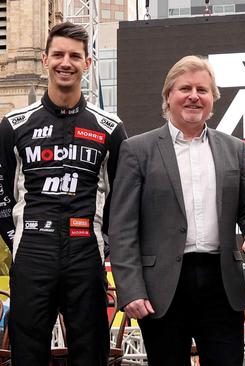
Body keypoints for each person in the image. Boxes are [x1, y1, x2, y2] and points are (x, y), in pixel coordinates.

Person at [109, 55, 245, 366]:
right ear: (168, 96)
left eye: (203, 90)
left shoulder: (235, 149)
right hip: (161, 290)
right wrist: (130, 289)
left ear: (213, 100)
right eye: (185, 88)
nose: (194, 96)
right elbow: (122, 227)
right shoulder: (137, 150)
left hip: (222, 286)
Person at [0, 22, 127, 365]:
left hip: (85, 251)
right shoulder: (13, 125)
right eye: (58, 54)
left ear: (87, 63)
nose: (65, 62)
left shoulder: (110, 128)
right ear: (45, 59)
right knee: (27, 353)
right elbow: (2, 195)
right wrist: (18, 240)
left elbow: (120, 199)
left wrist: (102, 242)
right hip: (33, 253)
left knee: (91, 352)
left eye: (74, 55)